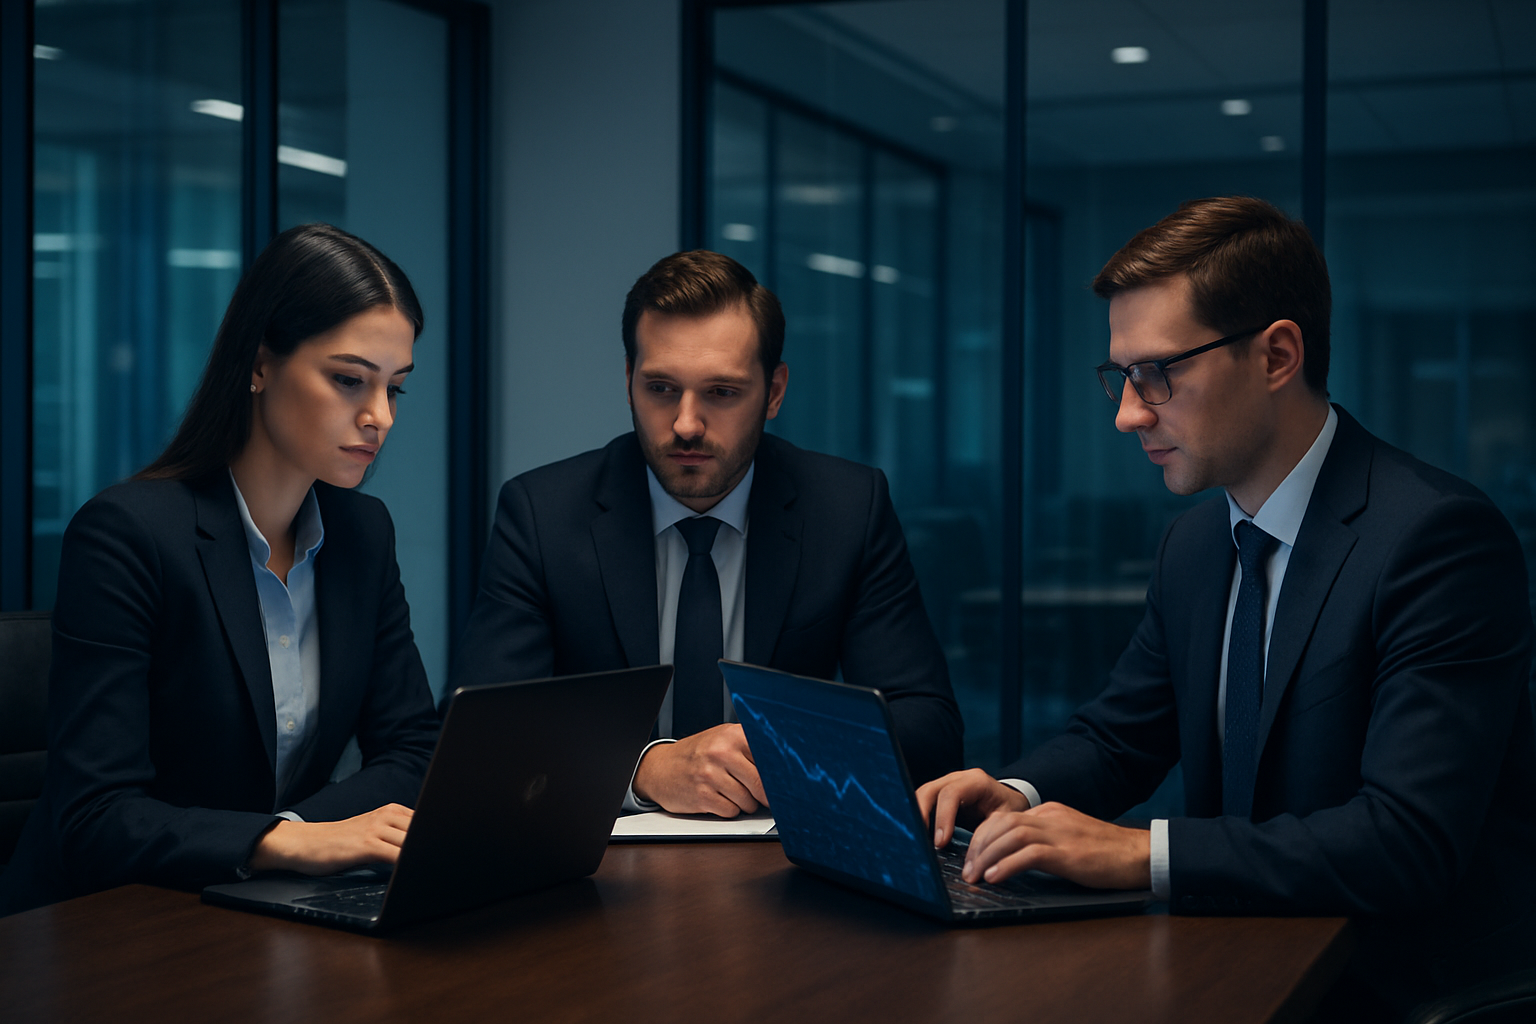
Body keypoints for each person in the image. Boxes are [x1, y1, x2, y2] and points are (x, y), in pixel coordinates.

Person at [917, 196, 1536, 1015]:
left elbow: (1405, 841)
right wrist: (1016, 795)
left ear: (1277, 354)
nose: (1128, 412)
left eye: (1158, 374)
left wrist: (1142, 854)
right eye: (1121, 376)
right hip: (1230, 953)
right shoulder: (1196, 546)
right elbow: (1119, 735)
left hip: (1387, 980)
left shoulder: (1438, 538)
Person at [0, 223, 441, 915]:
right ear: (260, 364)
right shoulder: (126, 535)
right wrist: (290, 841)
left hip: (260, 911)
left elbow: (413, 749)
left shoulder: (362, 534)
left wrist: (304, 837)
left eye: (397, 389)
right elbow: (93, 817)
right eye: (350, 380)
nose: (379, 416)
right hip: (103, 927)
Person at [453, 250, 962, 815]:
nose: (686, 424)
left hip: (786, 858)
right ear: (628, 382)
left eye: (721, 392)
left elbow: (929, 728)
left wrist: (776, 750)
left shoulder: (846, 509)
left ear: (773, 393)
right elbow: (480, 735)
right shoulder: (543, 513)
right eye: (662, 388)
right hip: (600, 864)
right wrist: (641, 769)